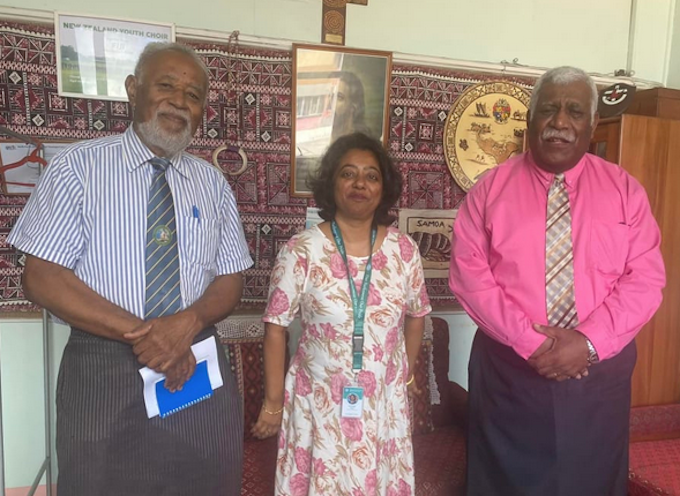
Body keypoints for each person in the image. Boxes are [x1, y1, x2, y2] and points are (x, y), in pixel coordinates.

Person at [8, 42, 253, 496]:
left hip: (192, 360)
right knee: (100, 484)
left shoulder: (211, 182)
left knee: (205, 481)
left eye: (194, 95)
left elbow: (230, 276)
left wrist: (187, 325)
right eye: (166, 86)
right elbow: (42, 277)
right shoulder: (77, 169)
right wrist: (152, 337)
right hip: (103, 363)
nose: (180, 101)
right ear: (132, 90)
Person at [448, 66, 666, 495]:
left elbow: (645, 278)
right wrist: (536, 344)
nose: (560, 122)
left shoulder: (626, 191)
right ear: (530, 121)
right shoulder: (489, 191)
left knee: (591, 481)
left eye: (574, 111)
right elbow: (470, 277)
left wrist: (585, 343)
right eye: (548, 110)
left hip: (597, 373)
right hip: (511, 370)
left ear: (593, 123)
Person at [253, 132, 432, 495]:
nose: (359, 184)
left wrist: (407, 374)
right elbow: (275, 327)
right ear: (331, 182)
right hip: (317, 399)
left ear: (384, 187)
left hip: (382, 400)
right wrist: (273, 403)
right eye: (348, 174)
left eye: (371, 175)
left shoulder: (404, 250)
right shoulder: (301, 250)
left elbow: (417, 314)